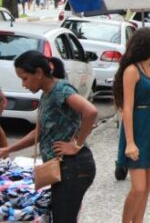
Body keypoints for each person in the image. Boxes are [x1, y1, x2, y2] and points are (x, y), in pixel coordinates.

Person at [0, 51, 97, 222]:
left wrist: (76, 144)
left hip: (74, 167)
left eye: (24, 78)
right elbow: (39, 132)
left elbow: (91, 112)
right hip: (63, 169)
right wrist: (9, 149)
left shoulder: (61, 90)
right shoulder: (47, 94)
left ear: (38, 73)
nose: (23, 84)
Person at [113, 27, 150, 223]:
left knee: (147, 187)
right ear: (148, 45)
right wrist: (130, 142)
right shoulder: (132, 70)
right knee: (138, 188)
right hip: (137, 128)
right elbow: (127, 107)